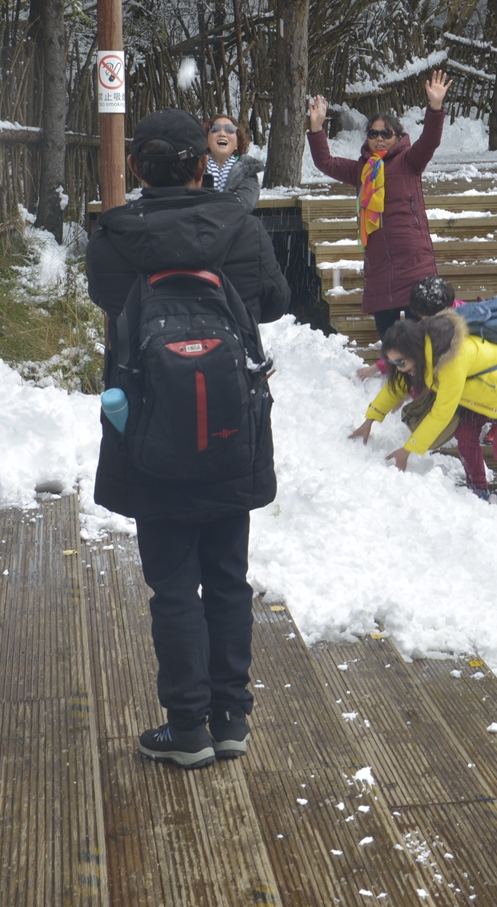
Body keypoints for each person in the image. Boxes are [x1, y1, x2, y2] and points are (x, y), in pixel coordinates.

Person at [87, 109, 291, 770]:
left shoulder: (115, 234)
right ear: (203, 163)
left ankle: (186, 728)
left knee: (172, 585)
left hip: (149, 426)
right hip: (230, 424)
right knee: (228, 577)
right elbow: (274, 302)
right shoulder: (238, 226)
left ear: (139, 169)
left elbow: (106, 298)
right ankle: (232, 717)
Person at [307, 71, 450, 338]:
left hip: (413, 261)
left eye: (387, 133)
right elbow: (325, 163)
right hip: (379, 264)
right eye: (373, 133)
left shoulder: (410, 161)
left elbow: (430, 140)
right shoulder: (361, 170)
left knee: (423, 340)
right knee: (390, 341)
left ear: (398, 136)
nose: (380, 138)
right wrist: (317, 129)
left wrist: (435, 107)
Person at [352, 311, 497, 514]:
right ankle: (478, 487)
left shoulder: (450, 359)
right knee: (465, 435)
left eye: (401, 362)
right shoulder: (423, 355)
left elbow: (442, 412)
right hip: (477, 392)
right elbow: (397, 387)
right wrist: (369, 420)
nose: (400, 368)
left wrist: (408, 449)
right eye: (394, 363)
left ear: (414, 351)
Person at [201, 113, 264, 211]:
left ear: (237, 144)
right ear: (206, 140)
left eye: (230, 129)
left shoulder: (248, 171)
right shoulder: (195, 168)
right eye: (215, 129)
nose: (222, 133)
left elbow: (244, 205)